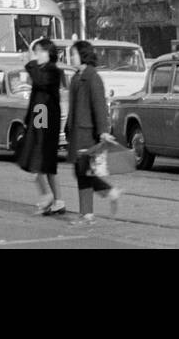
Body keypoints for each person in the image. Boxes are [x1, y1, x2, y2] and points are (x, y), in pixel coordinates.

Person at [68, 40, 120, 223]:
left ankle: (88, 213)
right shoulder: (76, 77)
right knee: (82, 171)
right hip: (76, 131)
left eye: (73, 54)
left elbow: (99, 106)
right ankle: (104, 196)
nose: (70, 57)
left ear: (82, 55)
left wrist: (103, 131)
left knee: (83, 171)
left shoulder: (92, 77)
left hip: (86, 132)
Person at [17, 39, 64, 215]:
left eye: (39, 52)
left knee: (39, 157)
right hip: (39, 113)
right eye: (35, 52)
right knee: (45, 162)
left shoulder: (52, 70)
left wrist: (29, 63)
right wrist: (27, 119)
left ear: (48, 53)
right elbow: (35, 98)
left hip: (45, 115)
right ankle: (57, 200)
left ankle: (48, 196)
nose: (36, 56)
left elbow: (40, 82)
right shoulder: (42, 70)